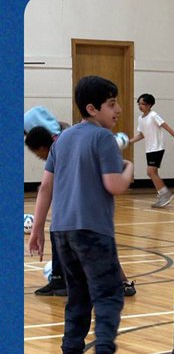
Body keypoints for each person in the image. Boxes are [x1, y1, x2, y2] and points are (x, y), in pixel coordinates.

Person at [28, 75, 134, 354]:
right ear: (92, 108)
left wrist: (37, 229)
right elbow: (114, 185)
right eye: (112, 104)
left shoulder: (63, 140)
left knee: (79, 297)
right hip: (93, 231)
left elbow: (45, 187)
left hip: (62, 232)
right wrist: (129, 169)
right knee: (109, 296)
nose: (118, 110)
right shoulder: (104, 139)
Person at [26, 120, 137, 299]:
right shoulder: (63, 145)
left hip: (87, 210)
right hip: (69, 214)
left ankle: (122, 283)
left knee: (100, 249)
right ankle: (60, 280)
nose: (39, 157)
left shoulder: (66, 145)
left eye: (37, 153)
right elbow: (47, 187)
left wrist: (128, 166)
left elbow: (48, 187)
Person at [131, 93, 174, 208]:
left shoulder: (154, 116)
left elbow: (168, 128)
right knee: (153, 172)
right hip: (149, 149)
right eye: (139, 104)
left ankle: (165, 194)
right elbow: (142, 135)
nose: (140, 106)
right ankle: (163, 195)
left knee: (150, 172)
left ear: (149, 105)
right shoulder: (140, 119)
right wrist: (129, 141)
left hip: (157, 148)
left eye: (143, 104)